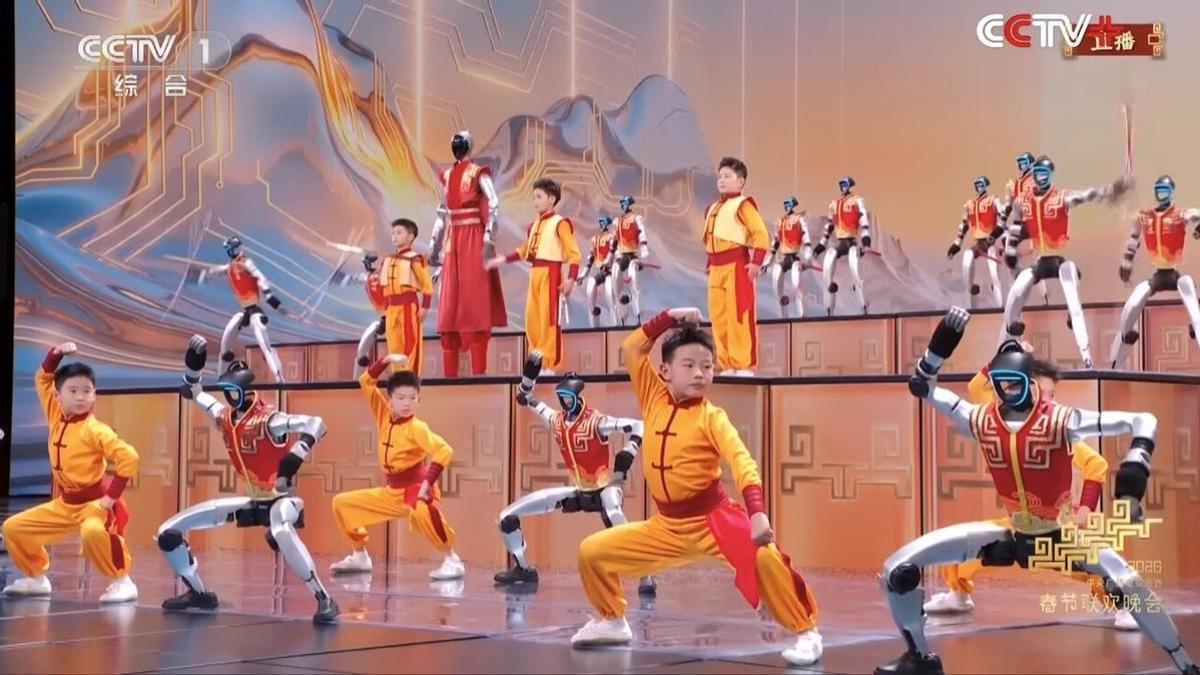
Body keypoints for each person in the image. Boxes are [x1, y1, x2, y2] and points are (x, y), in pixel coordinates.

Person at [877, 307, 1198, 675]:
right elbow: (925, 387)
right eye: (1002, 384)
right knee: (897, 570)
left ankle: (1183, 662)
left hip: (1059, 532)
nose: (1008, 391)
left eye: (1016, 383)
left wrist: (1133, 478)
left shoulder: (1060, 421)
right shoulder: (982, 419)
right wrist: (936, 352)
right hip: (1012, 529)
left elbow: (1141, 421)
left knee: (1125, 582)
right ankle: (920, 656)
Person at [570, 308, 823, 667]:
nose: (700, 373)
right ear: (665, 371)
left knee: (767, 557)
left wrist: (757, 513)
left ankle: (807, 632)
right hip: (665, 527)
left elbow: (742, 461)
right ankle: (612, 620)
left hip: (713, 520)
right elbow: (632, 348)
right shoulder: (653, 396)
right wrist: (669, 317)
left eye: (707, 366)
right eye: (688, 365)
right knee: (592, 551)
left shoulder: (712, 417)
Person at [924, 356, 1135, 630]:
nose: (1048, 401)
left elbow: (1096, 464)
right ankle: (958, 595)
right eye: (1041, 393)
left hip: (1056, 525)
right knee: (963, 548)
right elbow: (977, 387)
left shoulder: (1056, 429)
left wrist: (1085, 509)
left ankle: (1126, 606)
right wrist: (1006, 355)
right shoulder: (996, 417)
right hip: (1017, 523)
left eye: (1052, 395)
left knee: (1095, 566)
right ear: (1020, 389)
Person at [156, 336, 338, 624]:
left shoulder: (269, 420)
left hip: (282, 501)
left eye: (233, 391)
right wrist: (193, 362)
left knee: (281, 531)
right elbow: (193, 391)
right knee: (168, 532)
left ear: (245, 390)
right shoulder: (225, 417)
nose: (229, 396)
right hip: (252, 501)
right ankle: (199, 592)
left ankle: (324, 598)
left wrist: (295, 457)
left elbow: (316, 423)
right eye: (226, 391)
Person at [494, 352, 655, 596]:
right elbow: (525, 399)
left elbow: (638, 426)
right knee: (507, 517)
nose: (564, 402)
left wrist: (627, 454)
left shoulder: (596, 421)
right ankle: (523, 568)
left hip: (604, 488)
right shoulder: (556, 420)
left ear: (577, 396)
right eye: (561, 397)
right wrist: (528, 380)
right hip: (578, 490)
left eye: (568, 397)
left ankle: (645, 572)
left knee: (614, 513)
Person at [2, 341, 139, 603]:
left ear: (94, 395)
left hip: (94, 505)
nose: (80, 397)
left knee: (92, 532)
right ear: (58, 395)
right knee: (14, 528)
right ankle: (36, 577)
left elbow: (129, 457)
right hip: (65, 504)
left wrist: (109, 500)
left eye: (87, 391)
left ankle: (123, 581)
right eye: (73, 391)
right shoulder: (55, 414)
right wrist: (55, 355)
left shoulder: (95, 429)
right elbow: (43, 379)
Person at [328, 353, 464, 580]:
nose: (407, 403)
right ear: (390, 400)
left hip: (415, 486)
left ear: (419, 400)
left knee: (423, 509)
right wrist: (386, 360)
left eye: (412, 398)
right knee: (342, 503)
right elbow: (365, 382)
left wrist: (427, 484)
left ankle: (452, 559)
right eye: (401, 398)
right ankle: (359, 555)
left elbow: (444, 449)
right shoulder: (383, 415)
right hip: (392, 491)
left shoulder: (417, 427)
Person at [1000, 156, 1131, 367]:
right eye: (1037, 174)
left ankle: (1086, 356)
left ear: (1050, 174)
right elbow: (1015, 228)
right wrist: (1011, 251)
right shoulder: (1021, 201)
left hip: (1058, 260)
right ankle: (1004, 347)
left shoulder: (1061, 197)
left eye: (1044, 174)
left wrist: (1112, 191)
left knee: (1073, 299)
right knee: (1015, 294)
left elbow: (1087, 195)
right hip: (1039, 261)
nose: (1040, 178)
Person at [428, 130, 508, 376]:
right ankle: (450, 377)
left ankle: (479, 374)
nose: (457, 148)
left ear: (469, 146)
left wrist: (488, 237)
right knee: (450, 305)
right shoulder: (447, 175)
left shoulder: (478, 173)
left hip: (473, 237)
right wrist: (434, 246)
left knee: (474, 300)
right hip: (453, 239)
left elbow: (493, 203)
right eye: (454, 144)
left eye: (460, 143)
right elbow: (442, 213)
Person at [487, 178, 582, 376]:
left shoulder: (560, 224)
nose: (535, 201)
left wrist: (571, 279)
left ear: (551, 199)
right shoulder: (533, 226)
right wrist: (503, 259)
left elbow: (574, 254)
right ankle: (536, 361)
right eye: (533, 197)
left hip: (551, 273)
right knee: (532, 319)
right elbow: (525, 250)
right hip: (535, 273)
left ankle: (548, 363)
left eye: (539, 197)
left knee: (549, 319)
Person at [1109, 175, 1200, 368]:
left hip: (1175, 274)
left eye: (1165, 191)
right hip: (1157, 276)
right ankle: (1116, 363)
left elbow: (1196, 214)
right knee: (1131, 306)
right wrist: (1126, 263)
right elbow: (1133, 238)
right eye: (1159, 191)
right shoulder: (1145, 217)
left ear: (1172, 192)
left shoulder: (1180, 215)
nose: (1162, 195)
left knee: (1193, 306)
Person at [702, 157, 770, 375]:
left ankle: (743, 364)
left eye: (727, 176)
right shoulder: (712, 208)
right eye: (720, 176)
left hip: (736, 266)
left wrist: (756, 262)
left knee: (738, 314)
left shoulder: (743, 205)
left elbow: (760, 233)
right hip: (716, 269)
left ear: (740, 182)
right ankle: (727, 364)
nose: (721, 180)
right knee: (719, 317)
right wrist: (709, 263)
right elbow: (711, 239)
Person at [198, 236, 288, 382]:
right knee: (227, 337)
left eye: (232, 248)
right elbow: (219, 270)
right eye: (229, 249)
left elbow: (260, 277)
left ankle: (280, 380)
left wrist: (269, 295)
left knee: (265, 345)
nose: (231, 251)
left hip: (255, 311)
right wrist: (206, 274)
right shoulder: (231, 266)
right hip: (245, 310)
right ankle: (221, 376)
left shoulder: (246, 263)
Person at [814, 176, 871, 315]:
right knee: (828, 263)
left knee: (855, 269)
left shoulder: (857, 201)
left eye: (845, 184)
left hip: (852, 241)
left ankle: (863, 305)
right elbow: (829, 227)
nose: (843, 187)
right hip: (840, 242)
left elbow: (863, 222)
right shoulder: (835, 204)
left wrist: (866, 242)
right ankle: (829, 307)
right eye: (841, 185)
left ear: (850, 185)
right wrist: (820, 246)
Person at [947, 176, 1006, 308]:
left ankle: (1000, 305)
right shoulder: (970, 204)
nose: (979, 187)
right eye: (977, 185)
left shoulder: (993, 200)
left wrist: (1002, 235)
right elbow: (964, 225)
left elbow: (1003, 217)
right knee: (967, 257)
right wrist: (956, 245)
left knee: (994, 274)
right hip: (978, 243)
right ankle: (970, 293)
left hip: (991, 241)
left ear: (986, 185)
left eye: (981, 184)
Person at [767, 197, 816, 318]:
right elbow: (775, 244)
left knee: (797, 285)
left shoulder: (799, 220)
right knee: (777, 275)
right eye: (786, 205)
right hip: (785, 257)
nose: (787, 207)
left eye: (789, 205)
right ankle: (782, 314)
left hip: (795, 257)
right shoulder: (780, 222)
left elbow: (806, 239)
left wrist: (808, 258)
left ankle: (802, 314)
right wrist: (767, 263)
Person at [612, 195, 650, 324]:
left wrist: (644, 247)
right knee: (616, 282)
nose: (623, 205)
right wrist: (613, 253)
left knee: (634, 285)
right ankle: (622, 317)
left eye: (625, 203)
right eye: (621, 203)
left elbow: (641, 232)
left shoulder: (636, 218)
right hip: (621, 256)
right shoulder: (618, 221)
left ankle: (638, 317)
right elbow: (615, 239)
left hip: (633, 255)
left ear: (629, 204)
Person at [579, 216, 617, 327]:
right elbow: (590, 260)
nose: (601, 224)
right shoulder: (595, 239)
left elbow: (612, 251)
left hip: (611, 271)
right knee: (591, 285)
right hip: (601, 271)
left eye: (603, 222)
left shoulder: (612, 237)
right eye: (600, 222)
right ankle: (594, 320)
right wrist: (582, 275)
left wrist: (607, 263)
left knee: (610, 295)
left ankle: (615, 324)